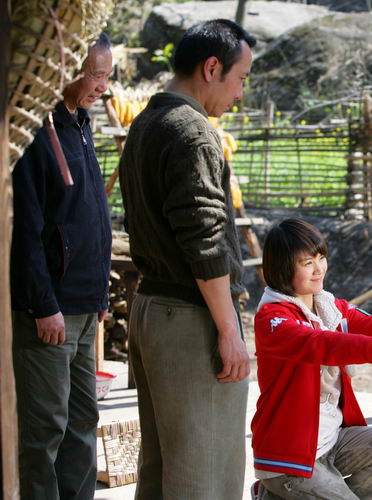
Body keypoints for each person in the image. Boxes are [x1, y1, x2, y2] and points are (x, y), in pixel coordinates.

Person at [117, 19, 255, 499]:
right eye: (240, 79)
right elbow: (204, 239)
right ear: (211, 68)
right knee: (203, 476)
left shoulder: (146, 123)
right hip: (190, 318)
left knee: (162, 471)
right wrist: (229, 330)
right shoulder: (192, 132)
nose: (240, 94)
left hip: (152, 308)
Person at [251, 218, 372, 500]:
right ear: (283, 268)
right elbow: (321, 344)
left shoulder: (328, 308)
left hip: (333, 441)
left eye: (321, 258)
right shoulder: (272, 319)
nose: (319, 268)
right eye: (307, 263)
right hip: (289, 458)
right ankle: (279, 490)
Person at [10, 32, 113, 499]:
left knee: (83, 421)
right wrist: (43, 303)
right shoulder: (36, 131)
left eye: (108, 76)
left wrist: (100, 295)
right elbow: (26, 230)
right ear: (67, 68)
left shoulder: (81, 123)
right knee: (45, 429)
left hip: (86, 307)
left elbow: (91, 217)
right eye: (95, 75)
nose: (103, 87)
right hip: (51, 311)